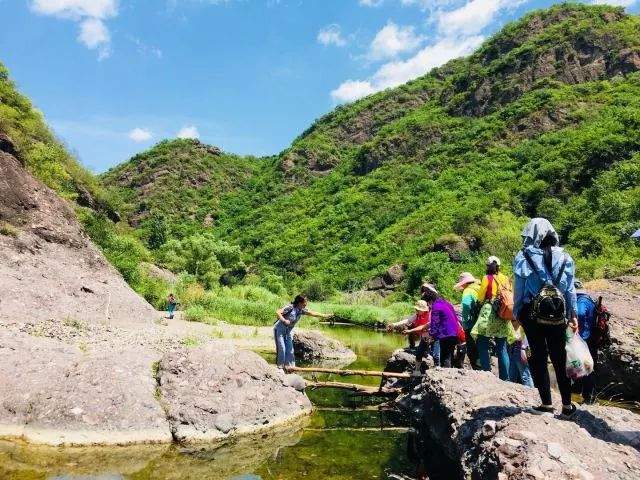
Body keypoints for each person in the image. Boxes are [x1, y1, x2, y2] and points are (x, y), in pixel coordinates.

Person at [513, 218, 578, 416]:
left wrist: (517, 313)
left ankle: (546, 404)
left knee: (538, 357)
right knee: (560, 357)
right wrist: (572, 314)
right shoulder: (565, 257)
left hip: (532, 315)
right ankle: (567, 406)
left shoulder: (523, 256)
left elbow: (519, 289)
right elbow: (570, 289)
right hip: (558, 315)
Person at [472, 257, 512, 381]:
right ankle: (505, 378)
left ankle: (486, 373)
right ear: (499, 266)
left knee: (482, 342)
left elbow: (480, 297)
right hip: (502, 313)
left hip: (489, 311)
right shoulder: (505, 278)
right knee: (502, 347)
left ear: (488, 266)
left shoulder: (486, 278)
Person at [274, 294, 331, 368]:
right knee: (282, 349)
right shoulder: (290, 307)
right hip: (280, 330)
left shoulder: (301, 310)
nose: (306, 304)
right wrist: (284, 320)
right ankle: (280, 367)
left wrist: (324, 315)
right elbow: (278, 312)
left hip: (288, 332)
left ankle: (290, 367)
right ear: (299, 302)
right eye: (305, 302)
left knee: (290, 351)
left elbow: (312, 313)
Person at [389, 300, 432, 375]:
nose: (416, 311)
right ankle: (417, 370)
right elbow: (407, 320)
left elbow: (423, 327)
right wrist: (394, 324)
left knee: (432, 354)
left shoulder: (430, 316)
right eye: (416, 309)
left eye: (418, 310)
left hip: (431, 336)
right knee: (420, 351)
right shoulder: (417, 315)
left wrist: (410, 331)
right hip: (424, 335)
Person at [423, 284, 459, 368]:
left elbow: (434, 323)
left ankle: (445, 377)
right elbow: (455, 317)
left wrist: (431, 336)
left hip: (446, 334)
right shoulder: (446, 303)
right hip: (454, 332)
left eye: (428, 303)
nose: (428, 306)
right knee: (450, 355)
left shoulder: (436, 306)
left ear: (430, 301)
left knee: (445, 357)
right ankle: (451, 374)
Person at [575, 280, 599, 404]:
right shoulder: (589, 299)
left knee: (585, 367)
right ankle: (583, 395)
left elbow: (579, 312)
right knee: (586, 366)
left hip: (584, 338)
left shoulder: (581, 300)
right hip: (591, 338)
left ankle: (588, 397)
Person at [454, 272, 481, 369]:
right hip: (482, 323)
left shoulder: (468, 290)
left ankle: (477, 371)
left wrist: (466, 320)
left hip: (472, 324)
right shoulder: (479, 287)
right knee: (481, 348)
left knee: (472, 350)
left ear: (464, 283)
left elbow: (465, 304)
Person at [508, 323, 534, 388]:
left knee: (525, 375)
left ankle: (531, 394)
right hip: (516, 346)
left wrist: (523, 348)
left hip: (521, 347)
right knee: (512, 374)